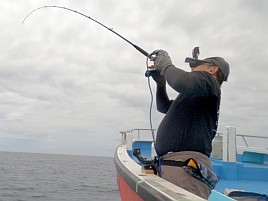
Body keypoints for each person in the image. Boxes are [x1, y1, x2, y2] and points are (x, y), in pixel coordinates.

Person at [150, 49, 230, 199]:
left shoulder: (209, 81)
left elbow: (180, 81)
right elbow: (163, 106)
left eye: (197, 64)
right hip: (179, 168)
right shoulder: (199, 95)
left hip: (186, 170)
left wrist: (165, 65)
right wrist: (161, 84)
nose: (192, 68)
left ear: (212, 69)